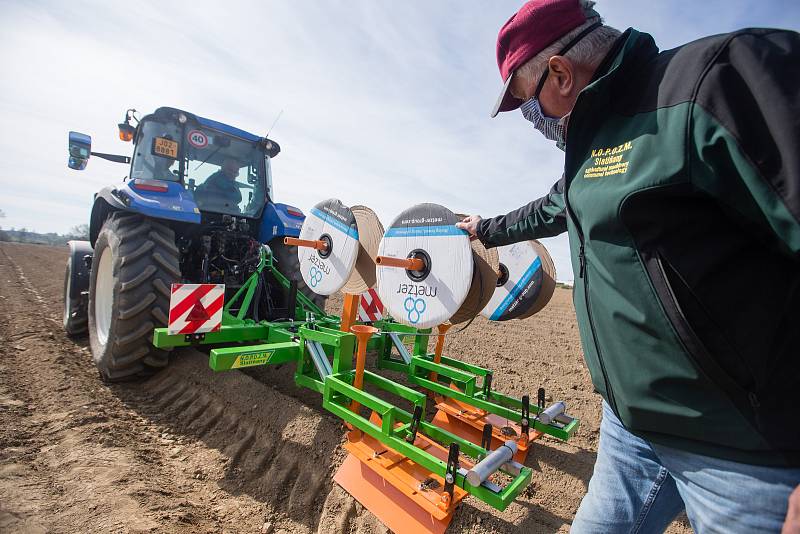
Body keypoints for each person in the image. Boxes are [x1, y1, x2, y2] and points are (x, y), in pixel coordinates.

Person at [457, 1, 800, 532]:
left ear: (561, 74)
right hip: (630, 435)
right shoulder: (588, 155)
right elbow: (550, 209)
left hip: (742, 457)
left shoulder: (714, 83)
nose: (534, 122)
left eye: (529, 106)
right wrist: (486, 229)